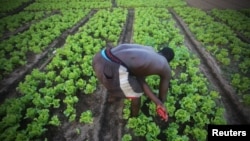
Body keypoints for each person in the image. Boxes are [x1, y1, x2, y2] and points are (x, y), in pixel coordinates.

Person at [92, 44, 174, 121]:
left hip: (99, 57)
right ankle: (134, 117)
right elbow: (162, 94)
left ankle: (113, 97)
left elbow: (140, 80)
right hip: (111, 69)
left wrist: (157, 103)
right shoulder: (165, 66)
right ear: (168, 61)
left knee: (123, 81)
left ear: (160, 51)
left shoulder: (150, 50)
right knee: (136, 92)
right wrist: (160, 103)